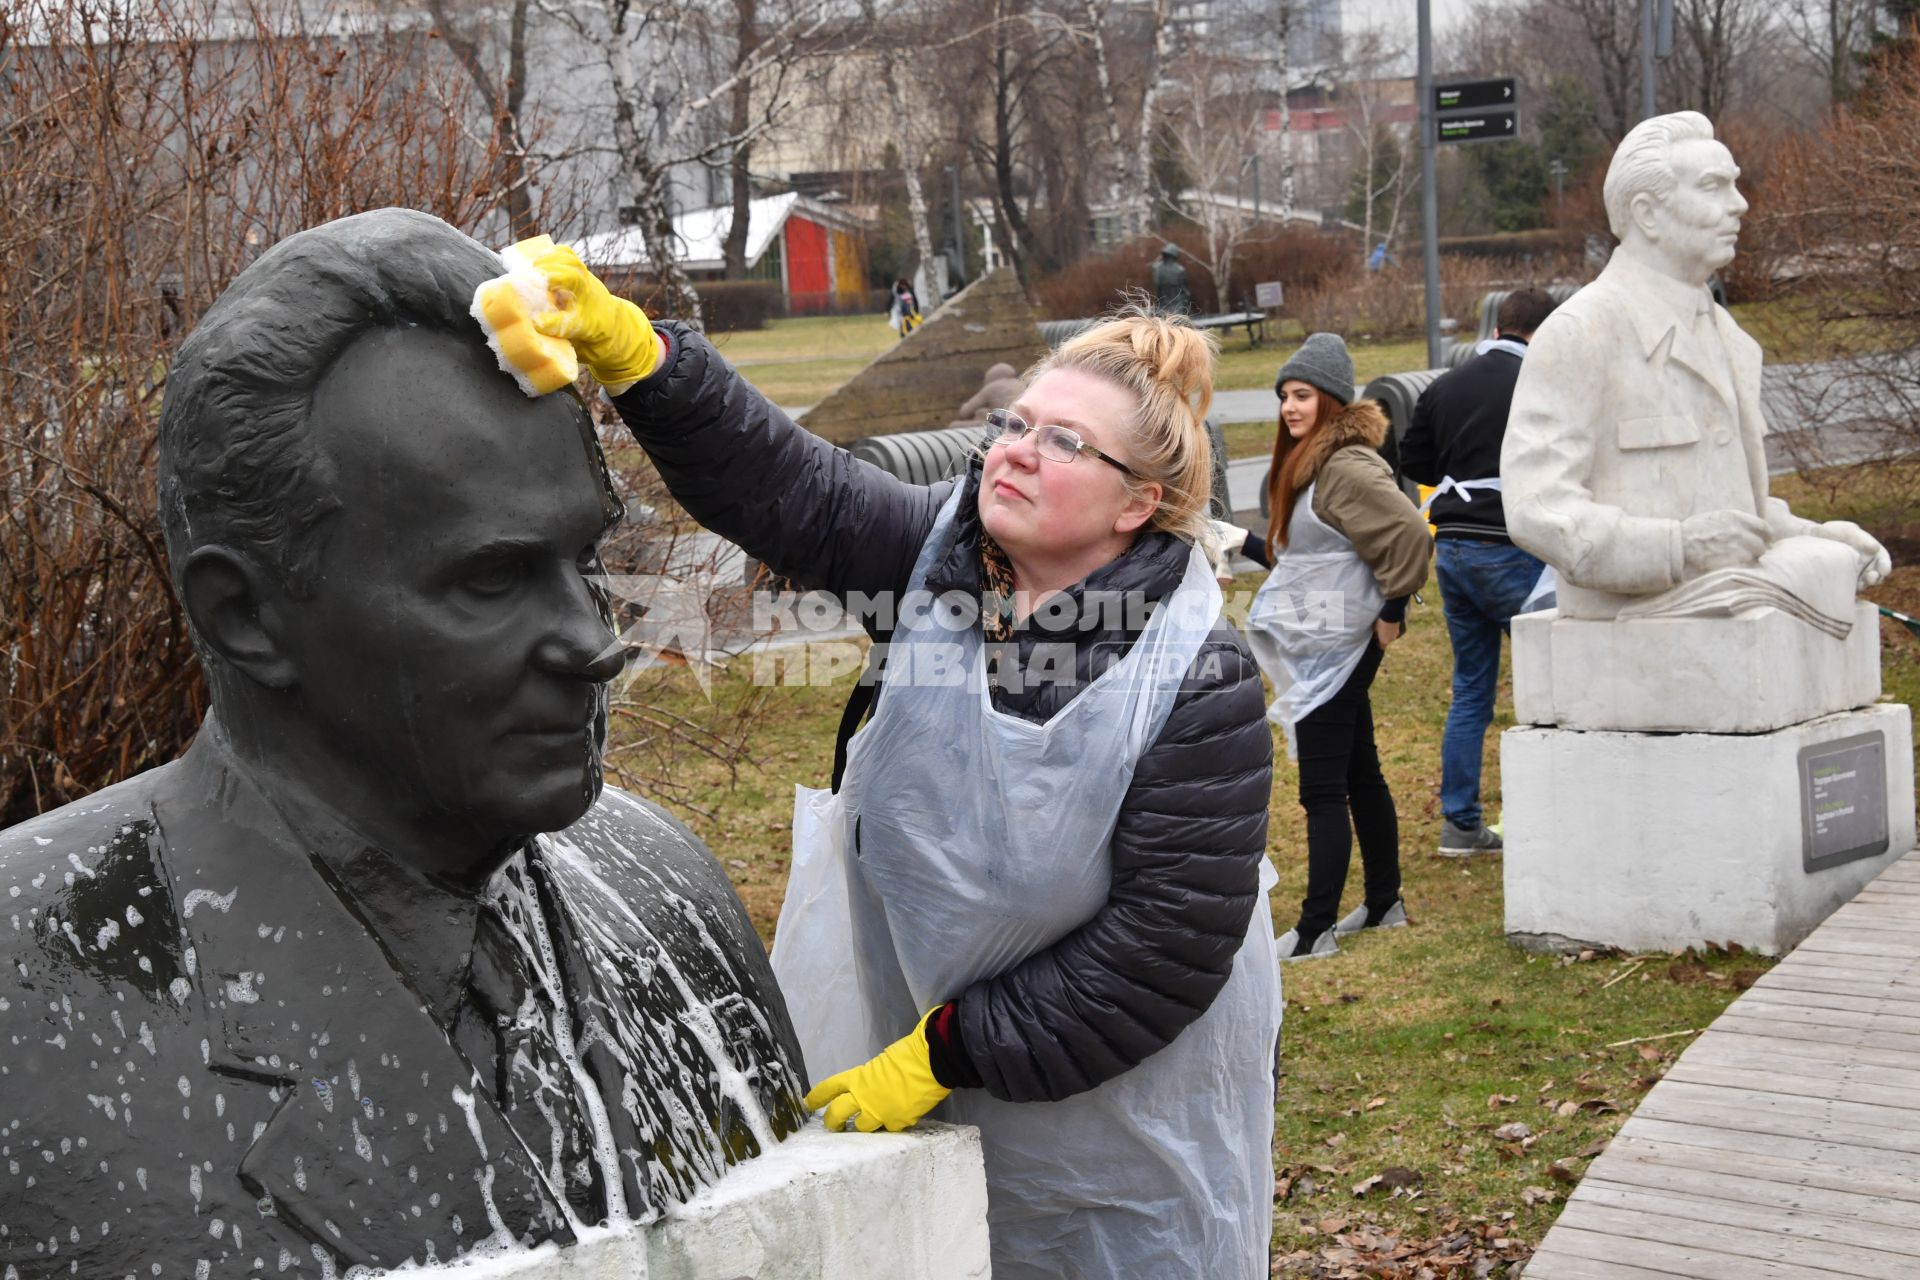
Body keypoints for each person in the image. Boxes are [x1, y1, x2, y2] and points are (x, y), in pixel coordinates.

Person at [0, 210, 808, 1277]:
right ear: (248, 615)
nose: (593, 641)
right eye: (490, 579)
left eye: (586, 560)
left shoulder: (669, 893)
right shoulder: (31, 1002)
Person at [516, 245, 1281, 1277]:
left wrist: (949, 1048)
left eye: (1063, 442)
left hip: (1123, 1114)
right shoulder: (943, 556)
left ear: (1136, 504)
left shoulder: (1200, 675)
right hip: (922, 1046)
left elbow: (1163, 947)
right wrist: (645, 357)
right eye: (1014, 425)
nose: (1012, 450)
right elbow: (791, 487)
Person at [1503, 112, 1887, 619]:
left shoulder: (1731, 339)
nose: (1740, 204)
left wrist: (1816, 537)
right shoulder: (1581, 332)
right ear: (1648, 214)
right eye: (1714, 187)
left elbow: (1732, 514)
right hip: (1637, 632)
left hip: (1732, 627)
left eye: (1735, 185)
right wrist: (1675, 548)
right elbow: (1537, 509)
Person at [1247, 333, 1432, 962]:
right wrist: (1234, 545)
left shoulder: (1346, 464)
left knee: (1324, 788)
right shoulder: (1314, 464)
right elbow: (1302, 553)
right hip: (1323, 641)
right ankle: (1384, 903)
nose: (1288, 408)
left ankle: (1314, 928)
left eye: (1301, 395)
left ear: (1329, 398)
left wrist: (1394, 610)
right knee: (1360, 769)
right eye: (1283, 397)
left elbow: (1410, 531)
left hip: (1342, 646)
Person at [1400, 288, 1557, 856]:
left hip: (1457, 550)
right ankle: (1557, 806)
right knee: (1557, 677)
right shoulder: (1541, 383)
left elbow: (1413, 461)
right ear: (1543, 331)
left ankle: (1460, 823)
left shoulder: (1447, 383)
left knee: (1471, 690)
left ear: (1499, 326)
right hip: (1514, 549)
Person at [1151, 242, 1192, 314]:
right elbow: (1186, 293)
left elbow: (1185, 294)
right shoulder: (1180, 270)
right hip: (1166, 307)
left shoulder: (1157, 268)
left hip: (1173, 307)